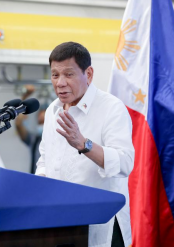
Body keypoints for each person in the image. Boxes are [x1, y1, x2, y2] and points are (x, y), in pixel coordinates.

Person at [36, 42, 134, 247]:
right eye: (55, 75)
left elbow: (125, 163)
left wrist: (83, 144)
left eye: (68, 74)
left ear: (88, 74)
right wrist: (41, 182)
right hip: (61, 223)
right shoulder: (53, 111)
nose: (60, 83)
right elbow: (44, 159)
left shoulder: (111, 108)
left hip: (102, 225)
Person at [15, 85, 47, 174]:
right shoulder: (34, 140)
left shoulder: (60, 140)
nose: (42, 125)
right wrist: (25, 98)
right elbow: (18, 124)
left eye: (45, 122)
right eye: (40, 122)